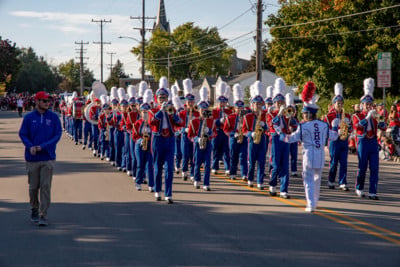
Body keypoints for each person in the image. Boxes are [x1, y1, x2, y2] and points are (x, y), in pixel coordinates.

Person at [279, 81, 339, 212]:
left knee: (308, 181)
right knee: (317, 180)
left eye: (305, 113)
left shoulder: (303, 126)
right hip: (320, 156)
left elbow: (291, 139)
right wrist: (335, 126)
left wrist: (280, 133)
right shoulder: (323, 125)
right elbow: (334, 136)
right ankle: (315, 202)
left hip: (309, 157)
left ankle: (310, 203)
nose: (303, 115)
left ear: (308, 114)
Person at [19, 91, 62, 225]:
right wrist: (30, 146)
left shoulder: (54, 117)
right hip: (32, 158)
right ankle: (34, 208)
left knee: (45, 186)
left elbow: (57, 135)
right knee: (33, 187)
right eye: (44, 101)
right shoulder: (29, 117)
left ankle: (43, 214)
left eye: (48, 101)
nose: (47, 103)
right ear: (37, 102)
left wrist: (42, 147)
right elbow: (23, 134)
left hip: (47, 157)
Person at [352, 78, 387, 200]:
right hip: (362, 141)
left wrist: (382, 124)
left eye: (370, 104)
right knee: (362, 167)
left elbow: (382, 128)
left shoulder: (374, 117)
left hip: (373, 142)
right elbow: (357, 126)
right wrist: (367, 117)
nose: (369, 106)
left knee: (374, 168)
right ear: (362, 105)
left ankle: (373, 191)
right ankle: (359, 187)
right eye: (366, 105)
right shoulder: (357, 115)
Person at [323, 83, 352, 191]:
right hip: (334, 141)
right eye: (337, 103)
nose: (339, 105)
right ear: (333, 104)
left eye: (341, 103)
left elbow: (351, 129)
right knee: (334, 162)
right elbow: (325, 130)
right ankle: (331, 181)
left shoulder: (347, 115)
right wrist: (335, 130)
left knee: (344, 162)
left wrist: (348, 129)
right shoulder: (329, 116)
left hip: (344, 141)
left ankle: (342, 182)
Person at [188, 87, 216, 191]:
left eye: (205, 109)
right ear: (198, 110)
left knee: (208, 164)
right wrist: (197, 139)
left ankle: (206, 183)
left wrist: (210, 132)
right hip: (198, 144)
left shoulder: (211, 121)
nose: (203, 111)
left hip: (208, 144)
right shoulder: (194, 121)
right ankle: (196, 179)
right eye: (201, 109)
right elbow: (190, 135)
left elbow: (215, 133)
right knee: (197, 162)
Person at [243, 81, 269, 189]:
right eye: (256, 104)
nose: (258, 106)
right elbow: (244, 130)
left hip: (262, 139)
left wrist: (265, 126)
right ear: (252, 105)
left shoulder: (265, 116)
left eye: (259, 104)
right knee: (251, 161)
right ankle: (250, 179)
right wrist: (251, 133)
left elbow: (269, 129)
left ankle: (260, 181)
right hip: (252, 141)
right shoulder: (248, 116)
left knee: (262, 161)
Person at [223, 84, 248, 181]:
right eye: (238, 108)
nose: (240, 109)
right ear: (235, 108)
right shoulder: (230, 117)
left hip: (244, 137)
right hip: (233, 139)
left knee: (243, 156)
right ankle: (232, 173)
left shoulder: (246, 116)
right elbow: (226, 130)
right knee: (233, 156)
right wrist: (233, 134)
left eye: (241, 108)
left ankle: (244, 174)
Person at [211, 82, 232, 175]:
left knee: (226, 151)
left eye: (224, 102)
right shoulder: (214, 111)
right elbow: (211, 122)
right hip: (217, 132)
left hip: (225, 133)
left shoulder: (229, 111)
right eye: (221, 102)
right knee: (215, 150)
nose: (222, 103)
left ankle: (228, 168)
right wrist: (219, 121)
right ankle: (215, 167)